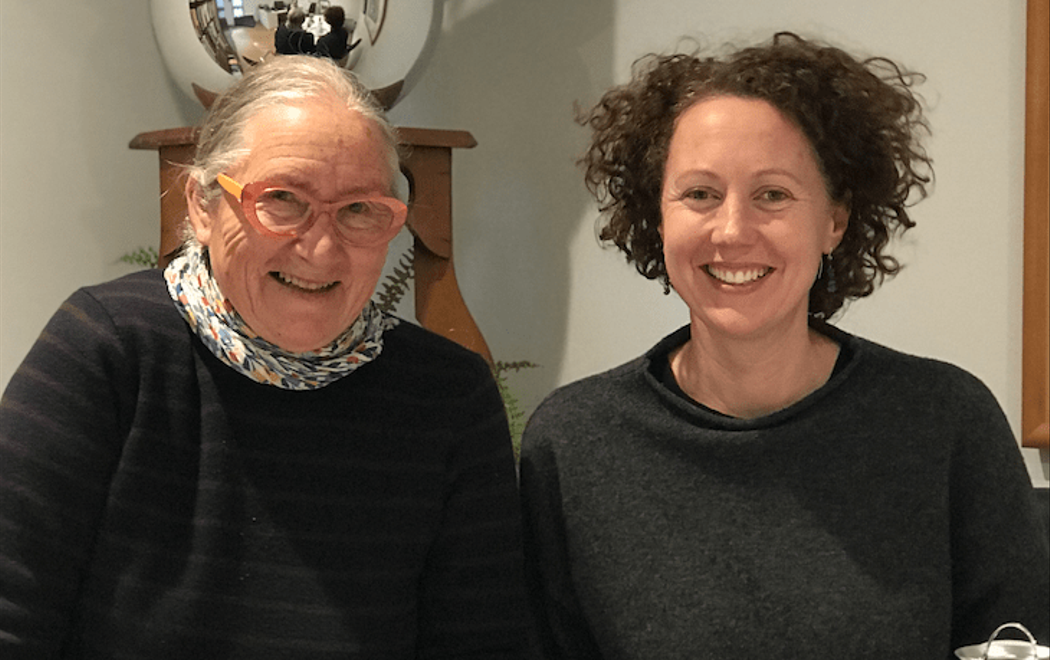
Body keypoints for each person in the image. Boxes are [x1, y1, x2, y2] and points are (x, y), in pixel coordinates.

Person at [519, 32, 1049, 659]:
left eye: (773, 194)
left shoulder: (947, 421)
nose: (733, 229)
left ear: (835, 220)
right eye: (699, 194)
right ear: (656, 218)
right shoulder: (573, 444)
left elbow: (1019, 644)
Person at [0, 55, 528, 658]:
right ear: (202, 205)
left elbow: (483, 642)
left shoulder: (448, 395)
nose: (321, 247)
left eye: (358, 209)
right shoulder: (108, 349)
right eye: (281, 199)